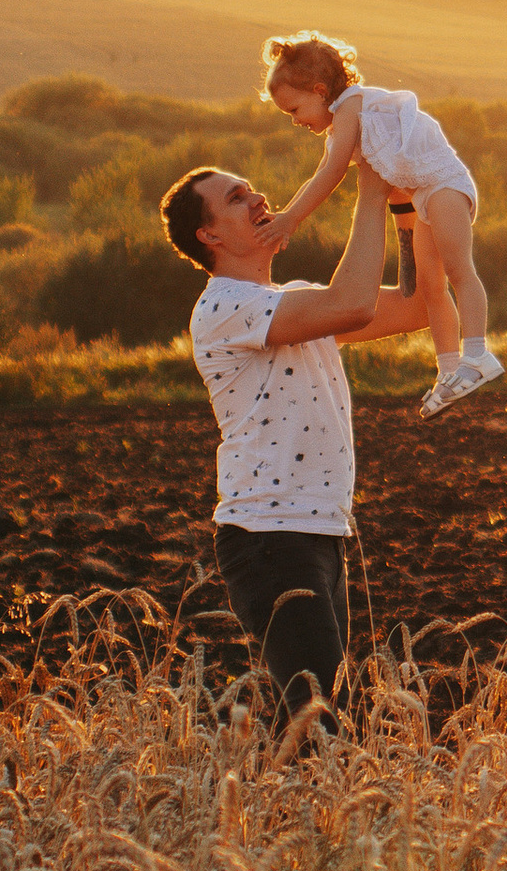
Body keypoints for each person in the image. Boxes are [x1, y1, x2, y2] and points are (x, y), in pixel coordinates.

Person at [156, 149, 437, 741]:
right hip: (269, 538)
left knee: (320, 717)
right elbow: (354, 302)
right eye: (236, 198)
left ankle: (290, 821)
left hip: (318, 532)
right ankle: (277, 824)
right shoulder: (224, 309)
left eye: (252, 187)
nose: (258, 198)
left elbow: (416, 306)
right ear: (209, 236)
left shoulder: (296, 302)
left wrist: (405, 208)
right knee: (317, 724)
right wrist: (366, 186)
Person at [258, 29, 502, 420]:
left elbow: (333, 172)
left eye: (294, 110)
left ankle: (478, 354)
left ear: (320, 91)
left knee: (459, 270)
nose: (294, 121)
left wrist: (291, 218)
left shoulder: (353, 105)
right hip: (422, 198)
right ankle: (450, 370)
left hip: (443, 184)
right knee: (430, 288)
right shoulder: (342, 127)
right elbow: (363, 179)